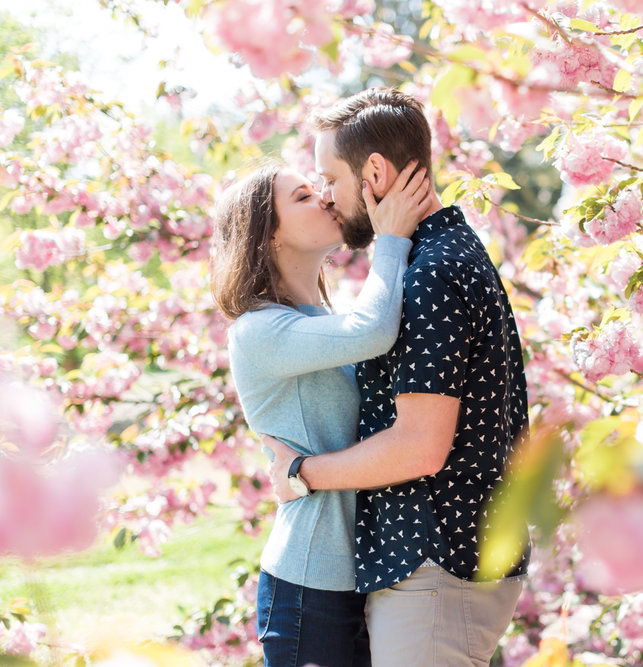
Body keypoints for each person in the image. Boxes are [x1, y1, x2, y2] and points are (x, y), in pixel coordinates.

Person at [265, 87, 530, 667]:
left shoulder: (431, 273)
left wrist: (301, 474)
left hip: (437, 562)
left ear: (376, 172)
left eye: (329, 179)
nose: (328, 199)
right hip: (436, 563)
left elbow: (419, 447)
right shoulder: (435, 254)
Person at [210, 157, 433, 667]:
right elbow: (374, 331)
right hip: (310, 585)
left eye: (320, 189)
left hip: (367, 575)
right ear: (267, 235)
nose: (326, 199)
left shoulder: (322, 321)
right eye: (304, 197)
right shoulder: (260, 330)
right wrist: (392, 237)